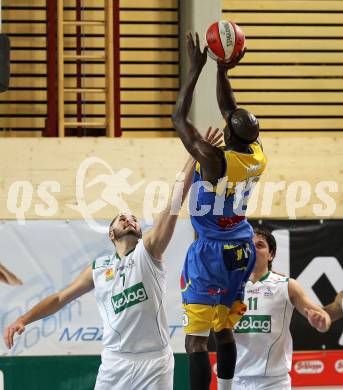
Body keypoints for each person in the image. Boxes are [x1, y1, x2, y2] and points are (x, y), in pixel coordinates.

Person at [2, 128, 222, 390]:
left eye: (134, 219)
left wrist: (192, 158)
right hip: (115, 363)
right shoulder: (99, 268)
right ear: (111, 233)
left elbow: (174, 202)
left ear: (140, 231)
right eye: (122, 218)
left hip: (154, 363)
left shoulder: (148, 253)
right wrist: (23, 319)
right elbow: (60, 298)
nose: (129, 219)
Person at [172, 32, 267, 390]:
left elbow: (178, 117)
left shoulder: (214, 162)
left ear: (228, 136)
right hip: (241, 246)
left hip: (212, 250)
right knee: (223, 328)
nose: (224, 121)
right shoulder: (256, 155)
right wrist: (223, 70)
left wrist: (196, 69)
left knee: (196, 341)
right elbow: (231, 110)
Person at [232, 227, 331, 390]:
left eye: (260, 245)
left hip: (274, 382)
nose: (253, 249)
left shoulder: (287, 285)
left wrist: (321, 322)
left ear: (271, 255)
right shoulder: (230, 286)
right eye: (248, 245)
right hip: (237, 379)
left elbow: (324, 319)